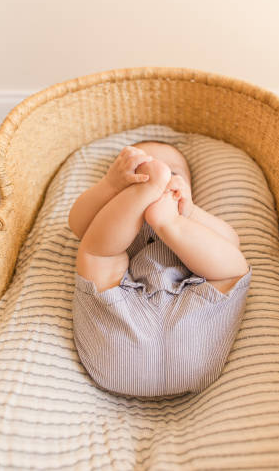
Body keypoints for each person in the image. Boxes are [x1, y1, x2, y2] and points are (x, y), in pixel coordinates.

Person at [69, 141, 252, 398]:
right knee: (97, 249)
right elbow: (78, 224)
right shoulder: (111, 214)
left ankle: (168, 224)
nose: (160, 175)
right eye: (141, 170)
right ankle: (162, 220)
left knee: (232, 263)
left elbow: (230, 240)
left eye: (172, 173)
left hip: (194, 319)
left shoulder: (192, 215)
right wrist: (109, 187)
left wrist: (186, 213)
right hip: (123, 311)